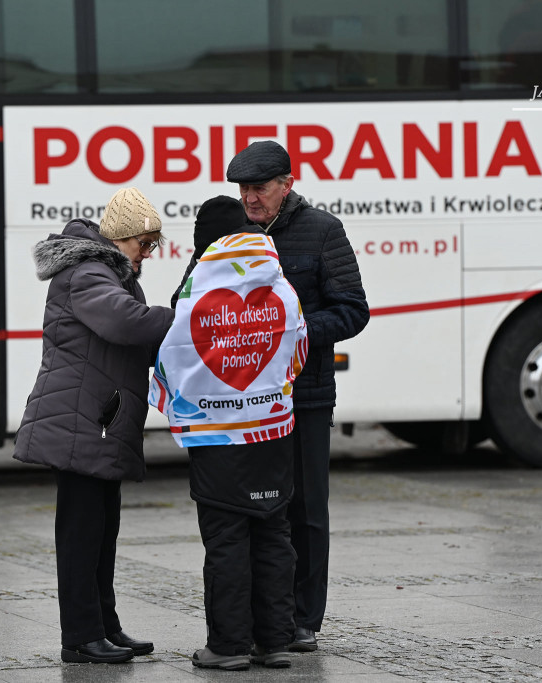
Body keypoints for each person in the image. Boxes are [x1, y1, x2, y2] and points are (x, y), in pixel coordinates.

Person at [12, 187, 175, 664]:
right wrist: (188, 319)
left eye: (152, 245)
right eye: (143, 243)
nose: (147, 254)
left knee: (102, 533)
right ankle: (81, 637)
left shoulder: (111, 271)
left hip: (98, 421)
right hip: (78, 422)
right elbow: (127, 323)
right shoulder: (86, 272)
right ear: (120, 237)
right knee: (83, 537)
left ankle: (105, 626)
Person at [225, 141, 369, 651]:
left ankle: (304, 619)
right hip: (245, 400)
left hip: (304, 394)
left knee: (306, 508)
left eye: (259, 188)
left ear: (288, 183)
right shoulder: (231, 231)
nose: (250, 199)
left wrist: (292, 328)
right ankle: (267, 616)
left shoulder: (323, 231)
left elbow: (353, 310)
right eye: (243, 189)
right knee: (259, 510)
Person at [158, 196, 303, 670]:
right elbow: (298, 349)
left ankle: (228, 646)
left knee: (226, 540)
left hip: (216, 437)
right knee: (273, 534)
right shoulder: (278, 282)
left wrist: (181, 403)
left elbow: (169, 359)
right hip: (272, 432)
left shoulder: (196, 289)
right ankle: (276, 641)